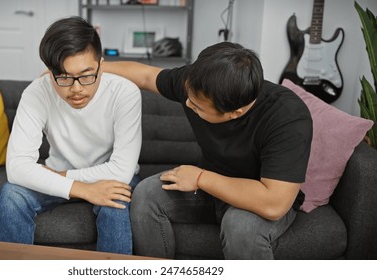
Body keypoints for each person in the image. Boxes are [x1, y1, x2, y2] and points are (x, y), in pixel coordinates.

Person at [104, 42, 312, 259]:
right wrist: (91, 69)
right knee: (146, 194)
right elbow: (146, 76)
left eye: (197, 106)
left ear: (234, 113)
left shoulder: (287, 117)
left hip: (258, 196)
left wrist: (201, 178)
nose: (187, 104)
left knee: (240, 226)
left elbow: (274, 203)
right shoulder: (199, 83)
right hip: (210, 190)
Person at [0, 16, 142, 255]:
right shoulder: (36, 93)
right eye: (63, 77)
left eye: (86, 75)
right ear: (49, 73)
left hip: (104, 177)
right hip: (61, 175)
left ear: (101, 66)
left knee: (116, 202)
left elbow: (122, 171)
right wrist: (81, 188)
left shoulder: (125, 93)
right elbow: (17, 168)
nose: (76, 88)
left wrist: (62, 177)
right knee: (12, 194)